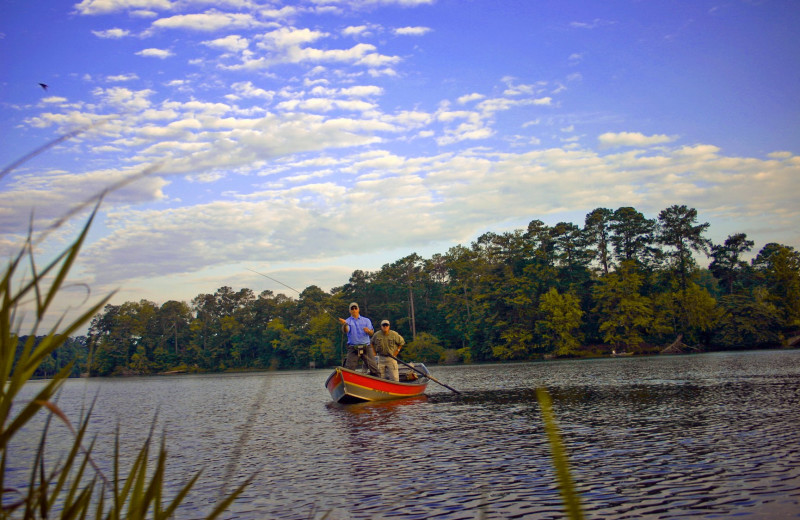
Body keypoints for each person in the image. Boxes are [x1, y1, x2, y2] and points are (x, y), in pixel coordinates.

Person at [338, 302, 378, 375]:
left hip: (366, 347)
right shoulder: (347, 321)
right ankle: (349, 383)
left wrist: (368, 331)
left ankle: (378, 383)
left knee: (374, 368)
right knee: (349, 369)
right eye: (352, 308)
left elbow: (372, 333)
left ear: (358, 309)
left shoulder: (366, 320)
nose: (354, 310)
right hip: (353, 348)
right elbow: (346, 330)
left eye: (355, 308)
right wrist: (344, 324)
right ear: (350, 311)